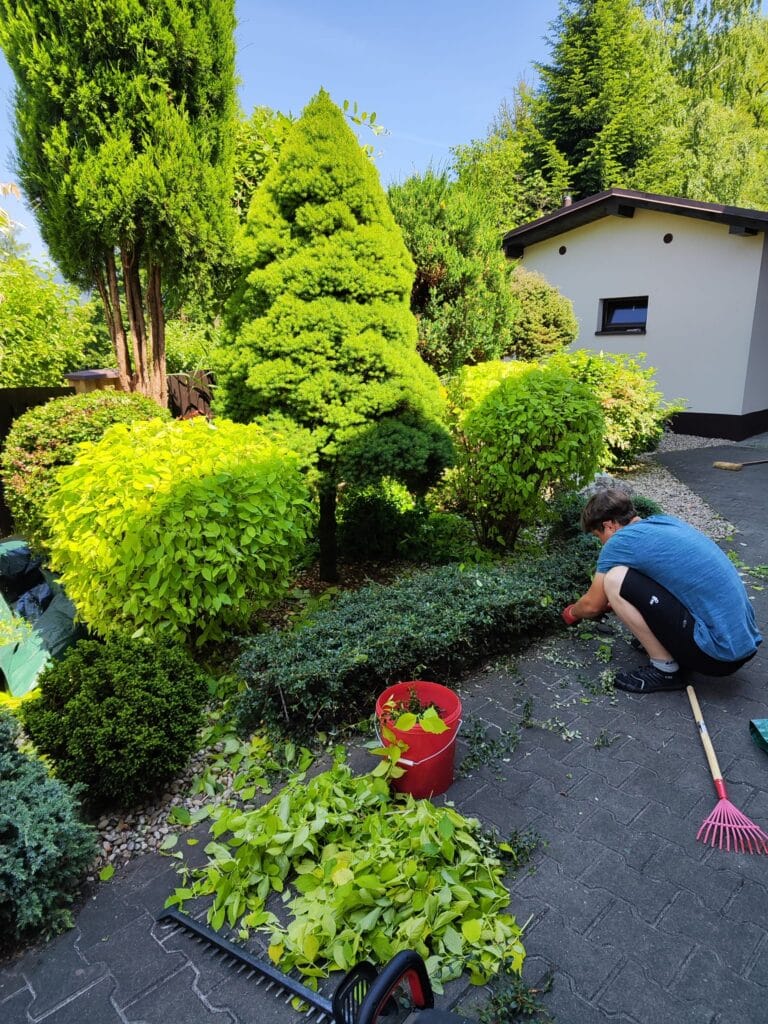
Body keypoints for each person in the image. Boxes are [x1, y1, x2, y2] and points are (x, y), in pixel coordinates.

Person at [561, 489, 762, 693]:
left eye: (598, 536)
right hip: (741, 643)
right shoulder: (663, 523)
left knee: (614, 579)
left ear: (609, 525)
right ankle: (669, 647)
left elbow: (592, 605)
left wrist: (571, 613)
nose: (601, 543)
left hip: (717, 655)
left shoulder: (619, 542)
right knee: (627, 582)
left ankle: (665, 671)